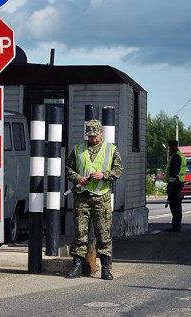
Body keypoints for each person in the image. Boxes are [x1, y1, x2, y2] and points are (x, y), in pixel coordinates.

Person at [65, 119, 123, 280]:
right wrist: (77, 178)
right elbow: (69, 168)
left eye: (95, 136)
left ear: (101, 133)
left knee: (103, 234)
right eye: (90, 136)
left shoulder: (111, 149)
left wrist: (104, 175)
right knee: (80, 233)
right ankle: (77, 266)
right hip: (82, 197)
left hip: (101, 198)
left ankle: (105, 268)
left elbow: (119, 170)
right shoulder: (78, 149)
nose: (93, 139)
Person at [164, 139, 187, 232]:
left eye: (169, 147)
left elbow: (173, 172)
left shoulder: (176, 157)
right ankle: (176, 226)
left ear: (172, 146)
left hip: (175, 184)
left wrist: (170, 186)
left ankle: (176, 226)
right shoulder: (177, 155)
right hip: (178, 183)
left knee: (175, 206)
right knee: (176, 206)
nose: (169, 148)